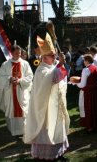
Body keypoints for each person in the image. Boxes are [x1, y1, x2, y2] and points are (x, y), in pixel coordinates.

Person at [24, 32, 70, 161]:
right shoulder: (41, 69)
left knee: (58, 128)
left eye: (54, 54)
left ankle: (58, 153)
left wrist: (61, 64)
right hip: (45, 109)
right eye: (52, 55)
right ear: (44, 57)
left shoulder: (51, 66)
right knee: (48, 130)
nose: (54, 57)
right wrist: (60, 64)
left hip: (56, 104)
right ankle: (45, 155)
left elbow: (61, 76)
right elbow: (52, 78)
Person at [0, 44, 33, 136]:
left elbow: (30, 76)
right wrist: (9, 79)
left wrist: (20, 81)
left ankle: (23, 130)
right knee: (12, 109)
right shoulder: (5, 64)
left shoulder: (25, 64)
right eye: (16, 53)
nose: (19, 55)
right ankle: (13, 130)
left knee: (23, 110)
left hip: (22, 91)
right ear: (12, 53)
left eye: (20, 53)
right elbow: (1, 76)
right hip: (10, 92)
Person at [75, 54, 97, 132]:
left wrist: (75, 83)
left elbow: (83, 84)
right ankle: (96, 125)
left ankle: (90, 126)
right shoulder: (96, 68)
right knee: (95, 107)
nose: (83, 62)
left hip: (88, 92)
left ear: (87, 61)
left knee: (88, 108)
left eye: (84, 60)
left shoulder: (86, 70)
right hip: (95, 91)